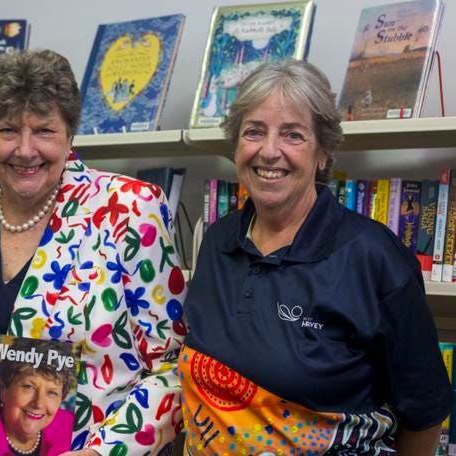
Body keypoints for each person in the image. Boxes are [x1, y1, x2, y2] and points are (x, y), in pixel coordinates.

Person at [0, 49, 187, 455]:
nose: (25, 150)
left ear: (70, 134)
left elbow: (174, 368)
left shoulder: (131, 209)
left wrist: (102, 453)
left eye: (44, 131)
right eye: (7, 130)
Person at [178, 60, 451, 455]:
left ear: (323, 152)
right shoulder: (218, 241)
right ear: (236, 145)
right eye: (254, 131)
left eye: (293, 135)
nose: (270, 151)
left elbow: (425, 412)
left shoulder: (374, 257)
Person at [0, 338, 77, 456]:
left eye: (51, 393)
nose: (38, 403)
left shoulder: (71, 426)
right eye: (28, 387)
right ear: (4, 389)